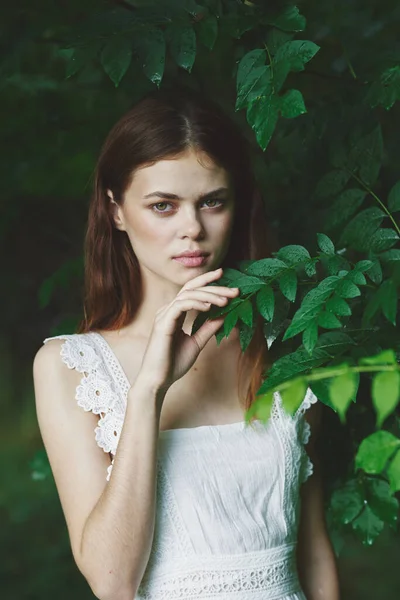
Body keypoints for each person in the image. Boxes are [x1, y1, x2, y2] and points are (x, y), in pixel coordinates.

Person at [33, 86, 340, 600]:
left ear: (237, 204)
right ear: (116, 211)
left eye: (212, 201)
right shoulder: (69, 367)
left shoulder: (282, 343)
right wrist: (149, 387)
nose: (192, 229)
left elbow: (313, 549)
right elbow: (112, 582)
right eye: (163, 206)